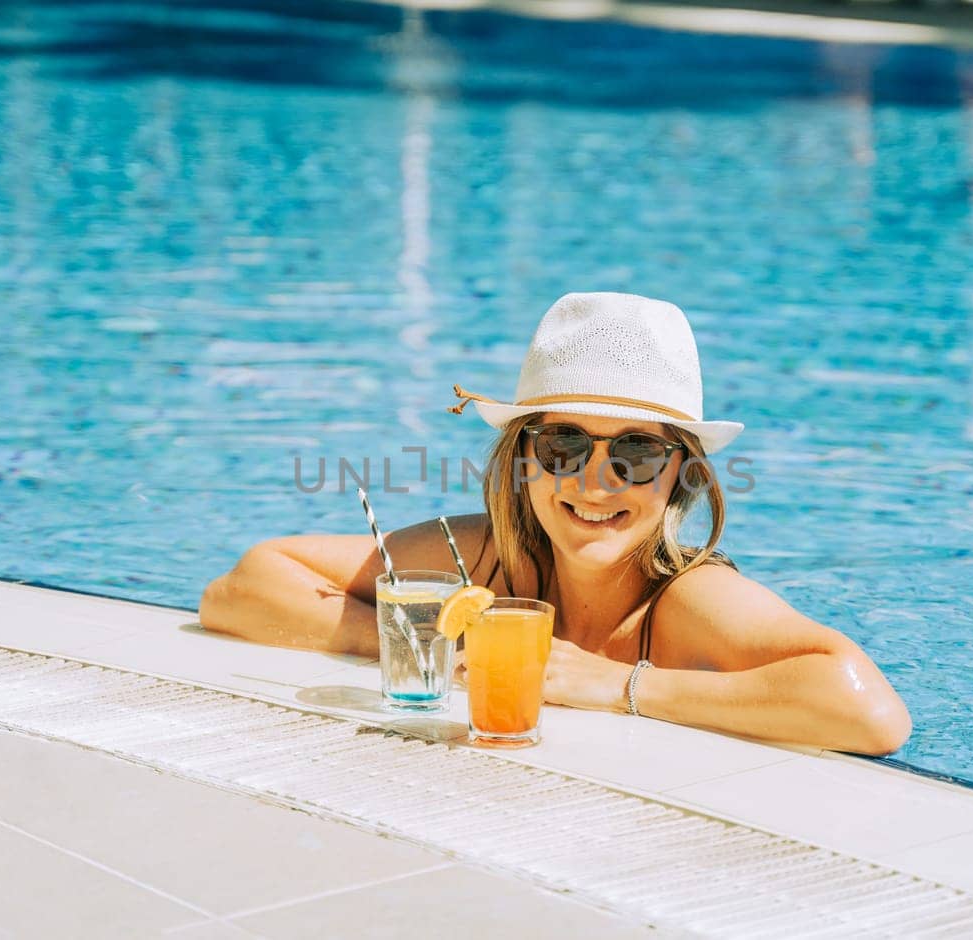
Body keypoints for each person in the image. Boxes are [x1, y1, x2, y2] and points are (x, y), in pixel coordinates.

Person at [200, 292, 911, 755]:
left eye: (636, 450)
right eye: (564, 444)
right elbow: (243, 586)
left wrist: (618, 686)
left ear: (683, 474)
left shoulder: (682, 599)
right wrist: (432, 648)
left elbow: (871, 713)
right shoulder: (486, 558)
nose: (595, 480)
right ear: (524, 460)